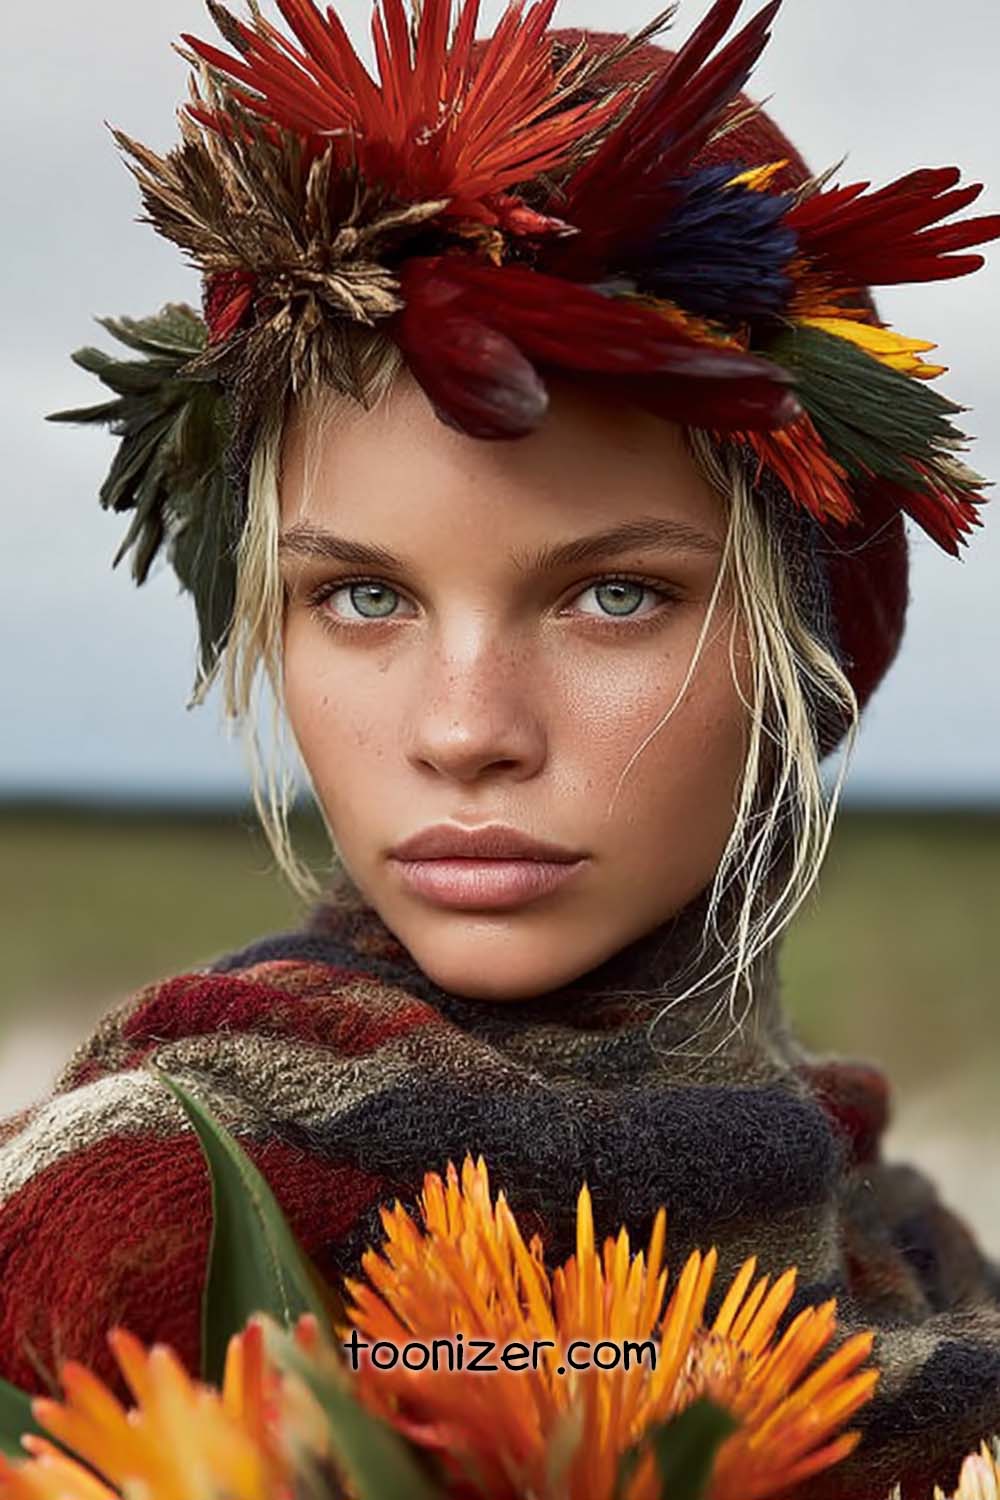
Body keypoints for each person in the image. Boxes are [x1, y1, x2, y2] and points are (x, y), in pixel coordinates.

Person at [2, 0, 998, 1493]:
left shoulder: (909, 1248)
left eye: (614, 595)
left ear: (806, 655)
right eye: (361, 595)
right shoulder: (137, 1231)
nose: (465, 732)